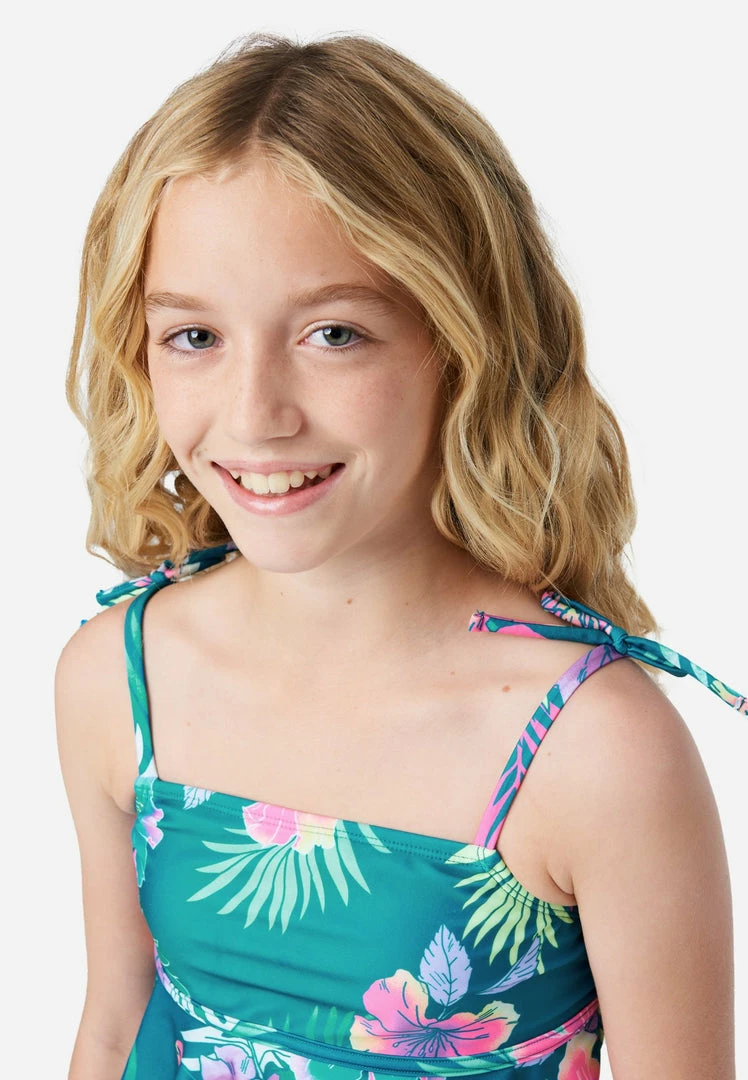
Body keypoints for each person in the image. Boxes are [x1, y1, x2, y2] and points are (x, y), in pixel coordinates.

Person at [55, 31, 745, 1080]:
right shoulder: (119, 673)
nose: (256, 414)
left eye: (333, 334)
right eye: (195, 338)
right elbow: (115, 1021)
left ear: (468, 343)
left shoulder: (595, 747)